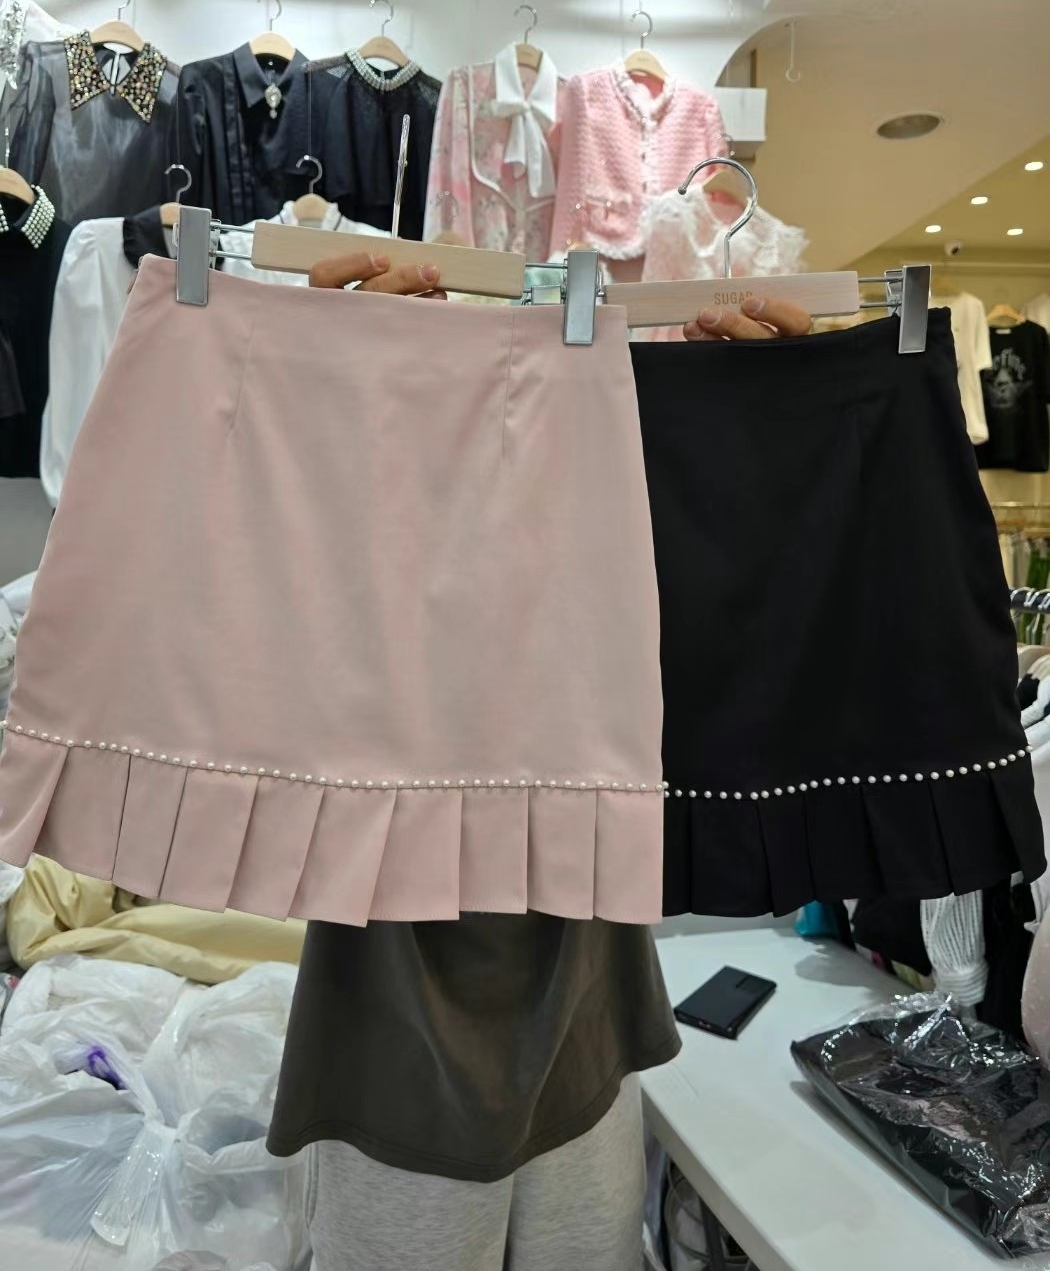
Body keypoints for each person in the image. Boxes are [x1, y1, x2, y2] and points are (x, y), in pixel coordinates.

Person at [266, 251, 813, 1271]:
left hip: (587, 1023)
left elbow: (738, 639)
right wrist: (316, 386)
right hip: (397, 1032)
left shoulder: (615, 490)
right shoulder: (381, 503)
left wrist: (773, 418)